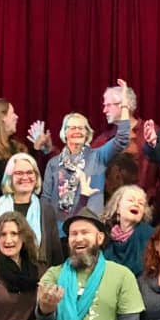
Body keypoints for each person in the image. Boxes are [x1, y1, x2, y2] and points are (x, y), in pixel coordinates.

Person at [43, 80, 132, 222]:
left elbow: (122, 138)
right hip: (59, 227)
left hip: (90, 224)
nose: (77, 131)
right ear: (64, 133)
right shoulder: (54, 163)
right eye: (72, 128)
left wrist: (125, 106)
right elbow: (46, 199)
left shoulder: (97, 157)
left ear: (87, 134)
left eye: (81, 128)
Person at [0, 144, 64, 266]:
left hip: (37, 274)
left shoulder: (46, 210)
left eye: (30, 172)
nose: (25, 177)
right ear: (9, 178)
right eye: (19, 173)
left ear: (36, 177)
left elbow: (56, 253)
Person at [102, 185, 153, 275]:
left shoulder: (150, 234)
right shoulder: (106, 235)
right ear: (118, 208)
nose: (136, 204)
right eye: (131, 200)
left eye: (141, 203)